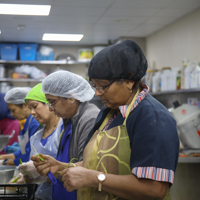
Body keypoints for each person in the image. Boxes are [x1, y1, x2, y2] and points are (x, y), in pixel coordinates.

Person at [32, 40, 179, 200]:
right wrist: (62, 167)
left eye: (103, 85)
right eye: (95, 86)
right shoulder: (108, 113)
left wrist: (95, 178)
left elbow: (155, 189)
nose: (97, 93)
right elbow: (98, 162)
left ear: (129, 80)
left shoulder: (151, 117)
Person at [31, 70, 100, 200]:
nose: (50, 108)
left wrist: (59, 166)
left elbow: (86, 168)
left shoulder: (89, 118)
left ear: (71, 97)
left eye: (52, 102)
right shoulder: (68, 119)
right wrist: (54, 166)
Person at [15, 83, 63, 200]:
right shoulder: (36, 137)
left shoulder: (64, 131)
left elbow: (72, 168)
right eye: (30, 108)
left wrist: (41, 175)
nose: (32, 112)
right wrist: (27, 176)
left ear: (50, 104)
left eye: (35, 106)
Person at [0, 87, 39, 165]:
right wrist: (3, 157)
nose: (11, 114)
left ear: (25, 106)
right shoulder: (28, 123)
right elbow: (23, 151)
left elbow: (28, 157)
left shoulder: (35, 123)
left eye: (13, 110)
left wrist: (4, 162)